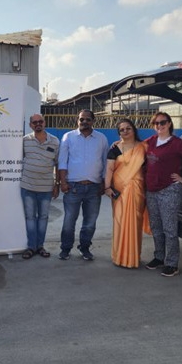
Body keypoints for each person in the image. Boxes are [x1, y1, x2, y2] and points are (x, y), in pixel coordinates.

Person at [143, 112, 182, 277]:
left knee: (169, 228)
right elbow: (133, 149)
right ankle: (159, 257)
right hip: (151, 191)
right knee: (156, 227)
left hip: (168, 190)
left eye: (162, 122)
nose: (159, 126)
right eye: (155, 123)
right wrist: (117, 145)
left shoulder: (177, 144)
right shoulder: (150, 142)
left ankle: (172, 263)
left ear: (169, 124)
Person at [57, 109, 109, 261]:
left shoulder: (101, 139)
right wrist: (63, 182)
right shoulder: (68, 137)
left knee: (90, 222)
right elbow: (62, 161)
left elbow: (106, 162)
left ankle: (84, 247)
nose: (84, 122)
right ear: (77, 121)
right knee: (69, 221)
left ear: (93, 121)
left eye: (88, 119)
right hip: (73, 187)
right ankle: (65, 248)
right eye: (81, 119)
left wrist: (104, 183)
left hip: (94, 187)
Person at [104, 118, 147, 269]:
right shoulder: (114, 149)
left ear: (134, 129)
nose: (125, 131)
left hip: (137, 189)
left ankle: (133, 257)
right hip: (119, 190)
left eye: (128, 128)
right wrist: (107, 187)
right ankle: (119, 257)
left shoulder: (143, 147)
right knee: (120, 221)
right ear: (118, 133)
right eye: (122, 129)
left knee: (135, 222)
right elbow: (109, 169)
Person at [19, 113, 60, 260]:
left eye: (40, 121)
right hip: (28, 187)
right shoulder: (24, 141)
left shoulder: (54, 142)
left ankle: (40, 246)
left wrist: (57, 184)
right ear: (30, 125)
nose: (38, 124)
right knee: (30, 218)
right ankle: (31, 247)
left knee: (43, 217)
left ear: (44, 123)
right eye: (34, 122)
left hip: (46, 188)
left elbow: (57, 164)